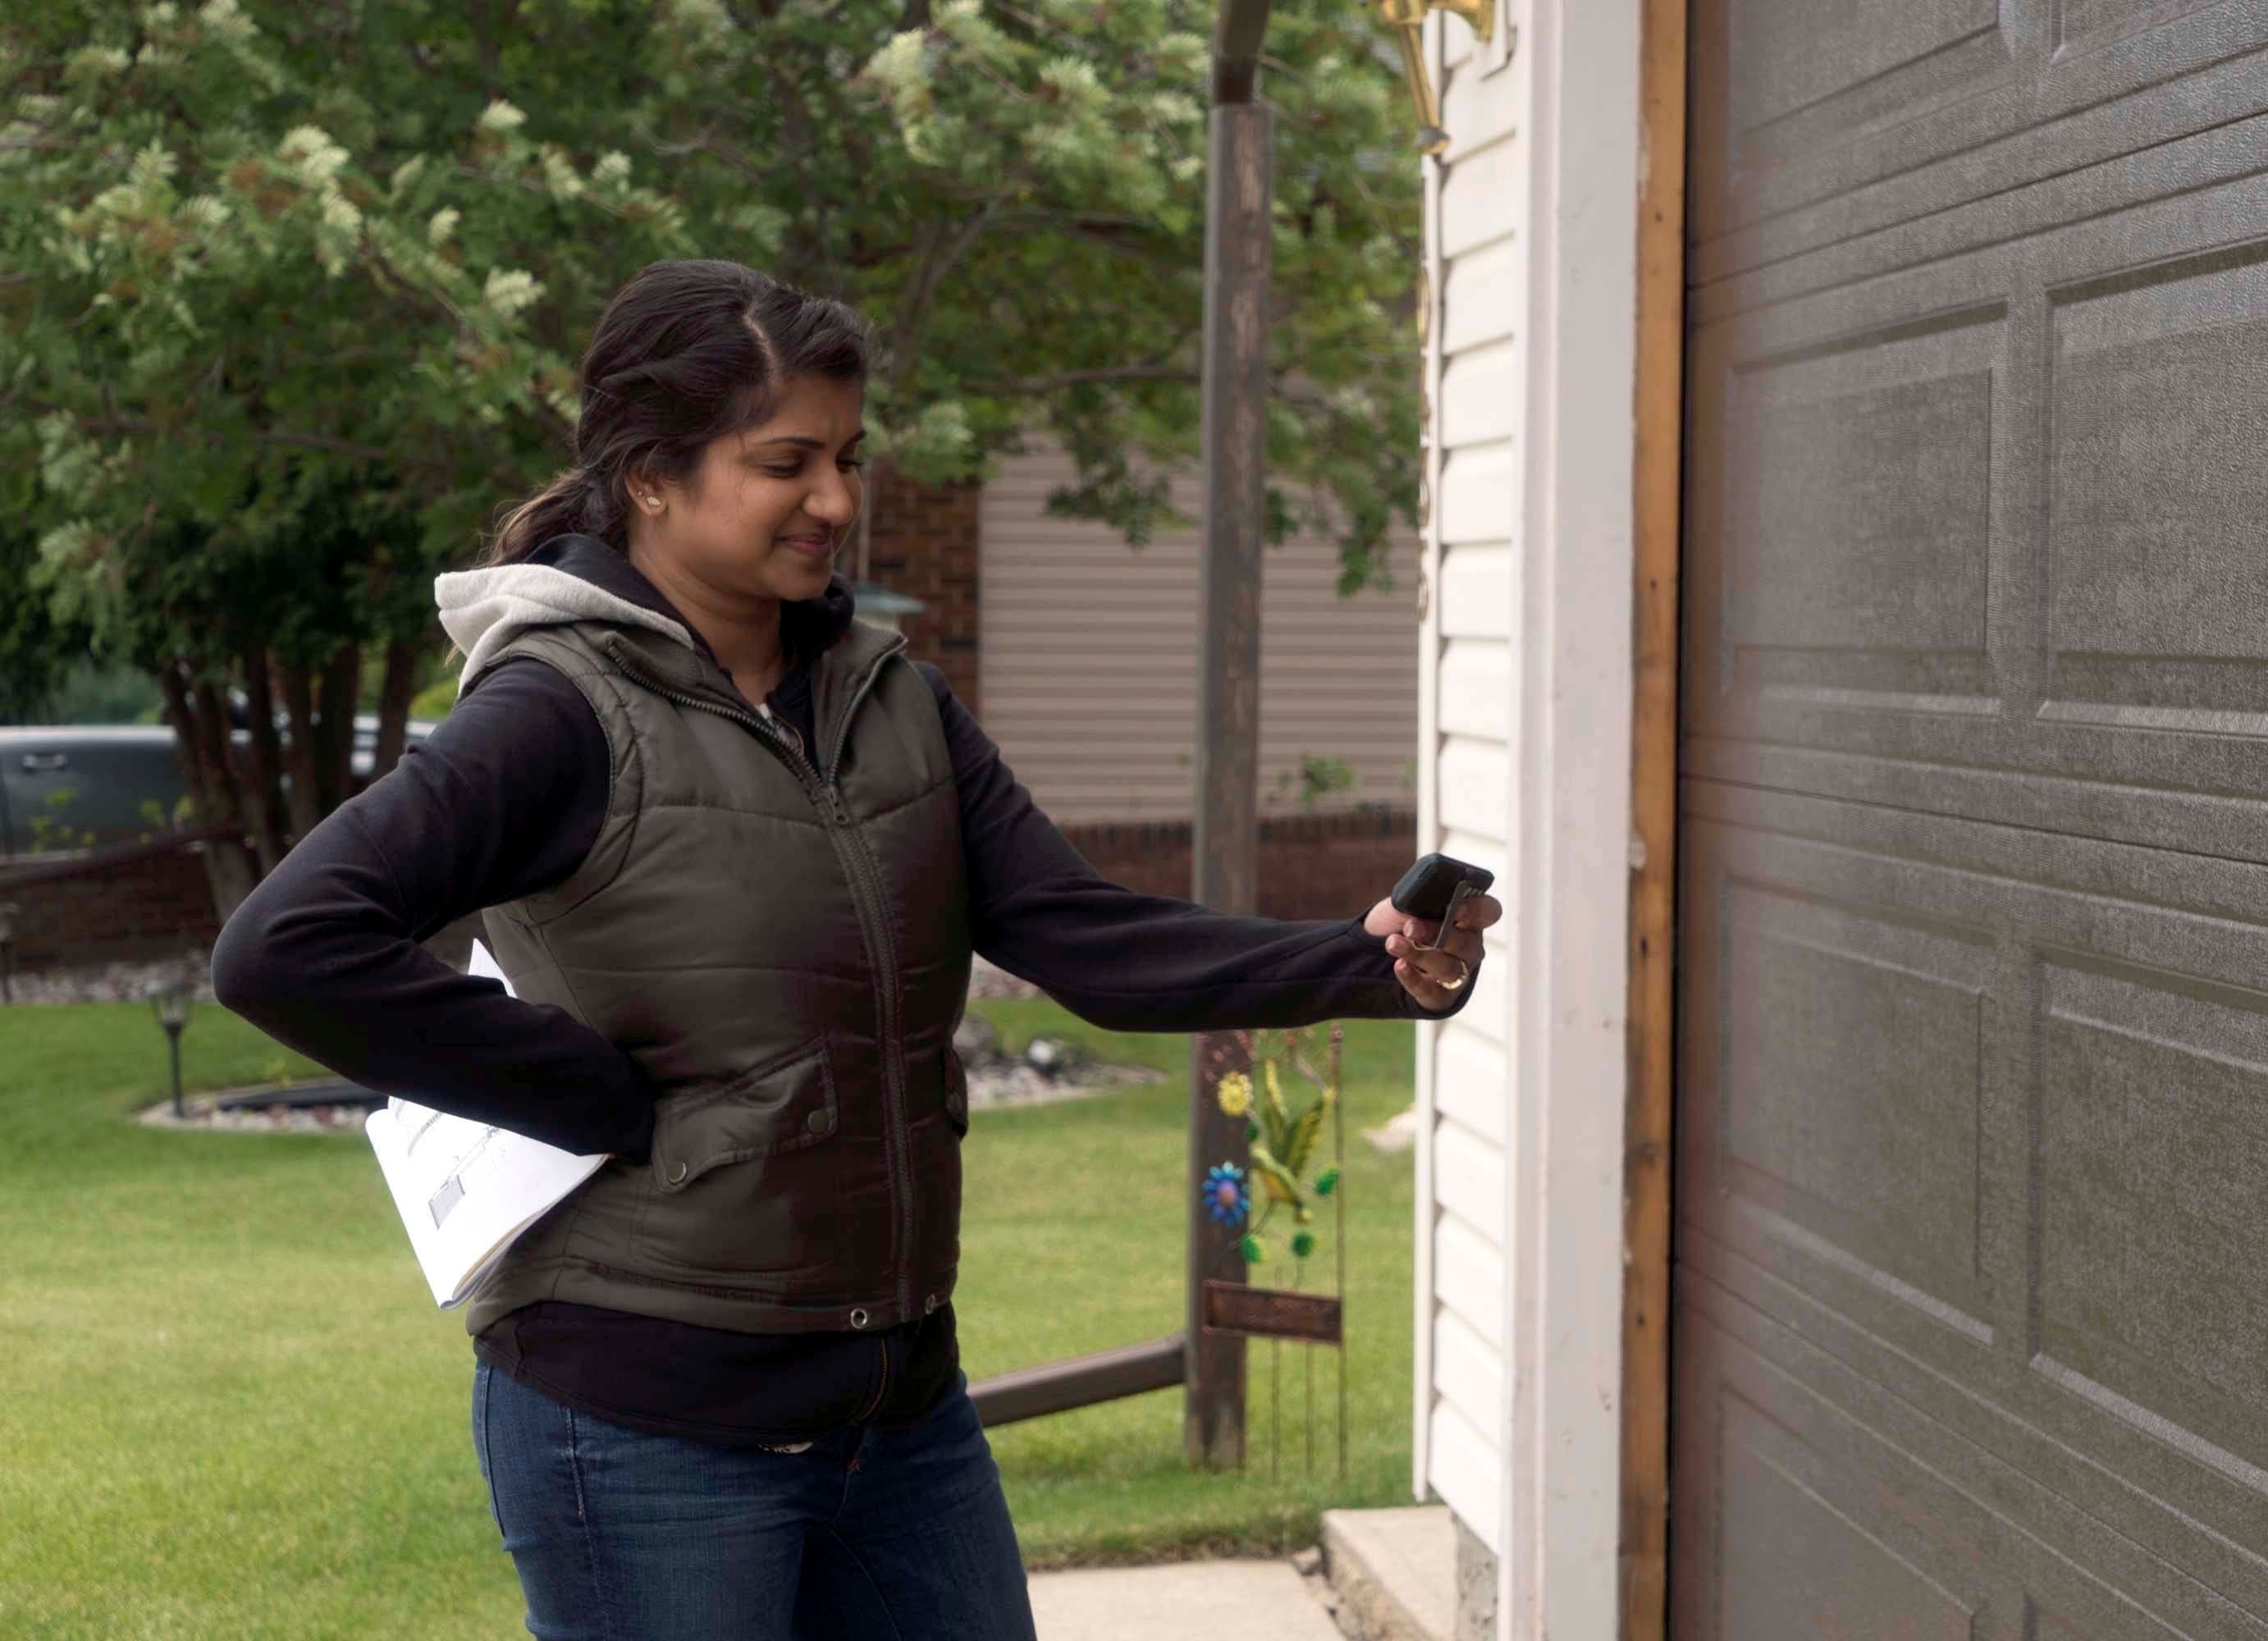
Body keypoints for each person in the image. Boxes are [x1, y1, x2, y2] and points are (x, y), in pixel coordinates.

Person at [209, 257, 1497, 1641]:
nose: (834, 499)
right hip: (643, 1423)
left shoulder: (894, 701)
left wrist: (1364, 961)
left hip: (898, 1409)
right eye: (786, 462)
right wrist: (581, 1089)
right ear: (650, 475)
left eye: (847, 457)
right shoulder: (554, 710)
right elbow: (285, 948)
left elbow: (1079, 937)